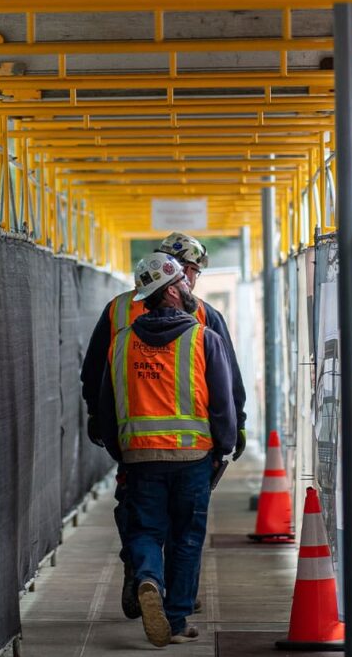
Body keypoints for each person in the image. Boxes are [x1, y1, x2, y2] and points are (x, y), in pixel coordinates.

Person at [79, 232, 247, 618]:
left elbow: (94, 375)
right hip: (193, 446)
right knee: (185, 527)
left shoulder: (118, 313)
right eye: (189, 272)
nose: (192, 280)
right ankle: (173, 602)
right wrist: (232, 431)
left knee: (140, 517)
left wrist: (102, 422)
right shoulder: (202, 318)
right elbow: (227, 383)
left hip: (136, 441)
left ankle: (144, 575)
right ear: (175, 276)